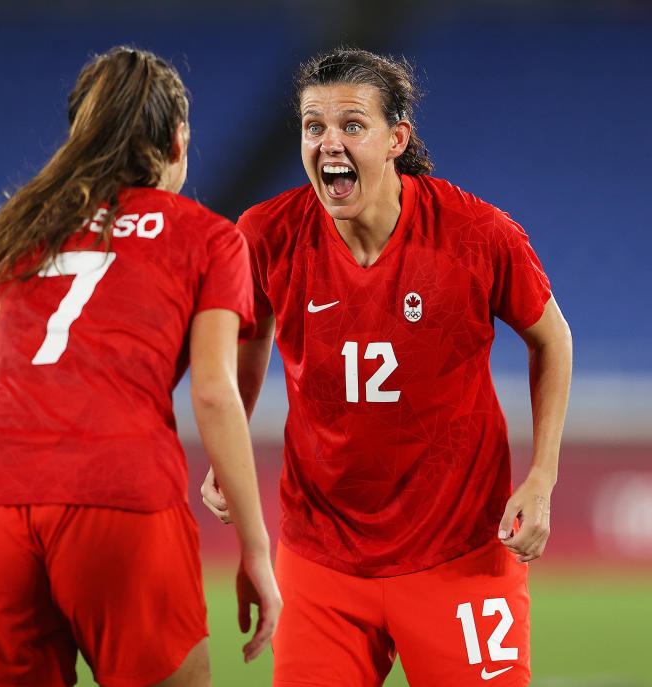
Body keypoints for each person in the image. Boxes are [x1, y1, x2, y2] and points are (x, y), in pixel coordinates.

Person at [201, 47, 572, 686]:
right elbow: (250, 333)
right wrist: (224, 445)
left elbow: (552, 340)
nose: (329, 143)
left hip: (461, 551)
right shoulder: (266, 235)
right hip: (321, 559)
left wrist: (542, 477)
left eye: (351, 125)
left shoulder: (475, 234)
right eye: (313, 127)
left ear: (396, 138)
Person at [0, 47, 281, 687]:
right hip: (124, 497)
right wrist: (255, 547)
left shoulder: (10, 231)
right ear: (178, 142)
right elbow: (213, 392)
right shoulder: (206, 236)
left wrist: (14, 492)